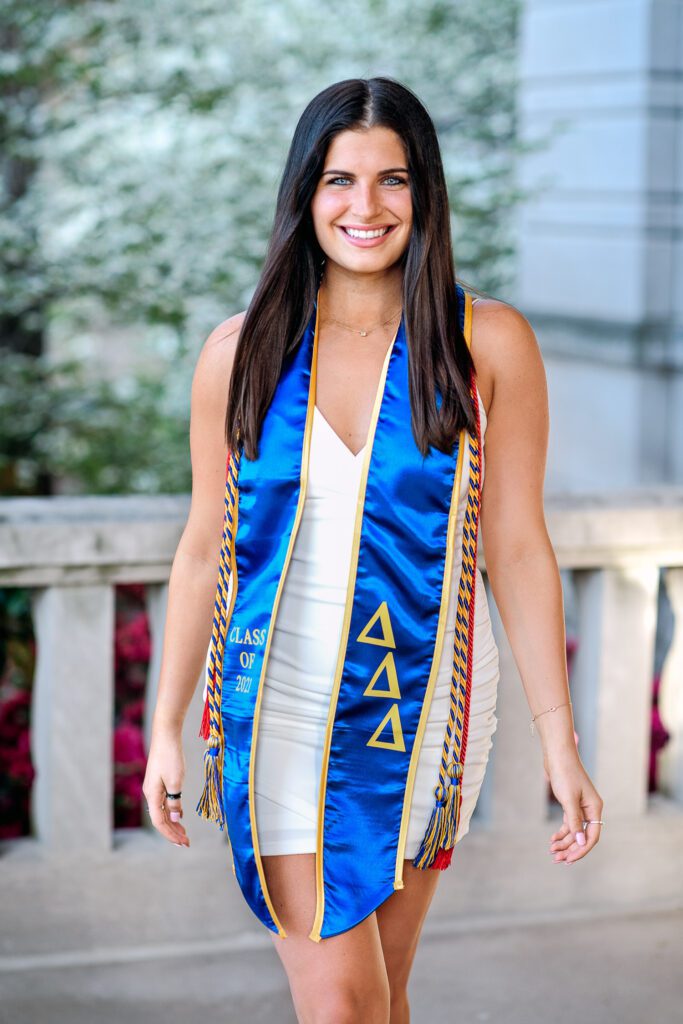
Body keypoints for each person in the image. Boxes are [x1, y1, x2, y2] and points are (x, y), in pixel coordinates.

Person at [142, 76, 603, 1023]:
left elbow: (517, 548)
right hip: (277, 699)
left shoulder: (486, 343)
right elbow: (202, 550)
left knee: (384, 998)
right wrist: (165, 724)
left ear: (423, 192)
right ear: (304, 194)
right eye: (338, 180)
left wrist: (559, 742)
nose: (366, 206)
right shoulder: (241, 352)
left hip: (418, 704)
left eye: (392, 180)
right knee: (343, 1008)